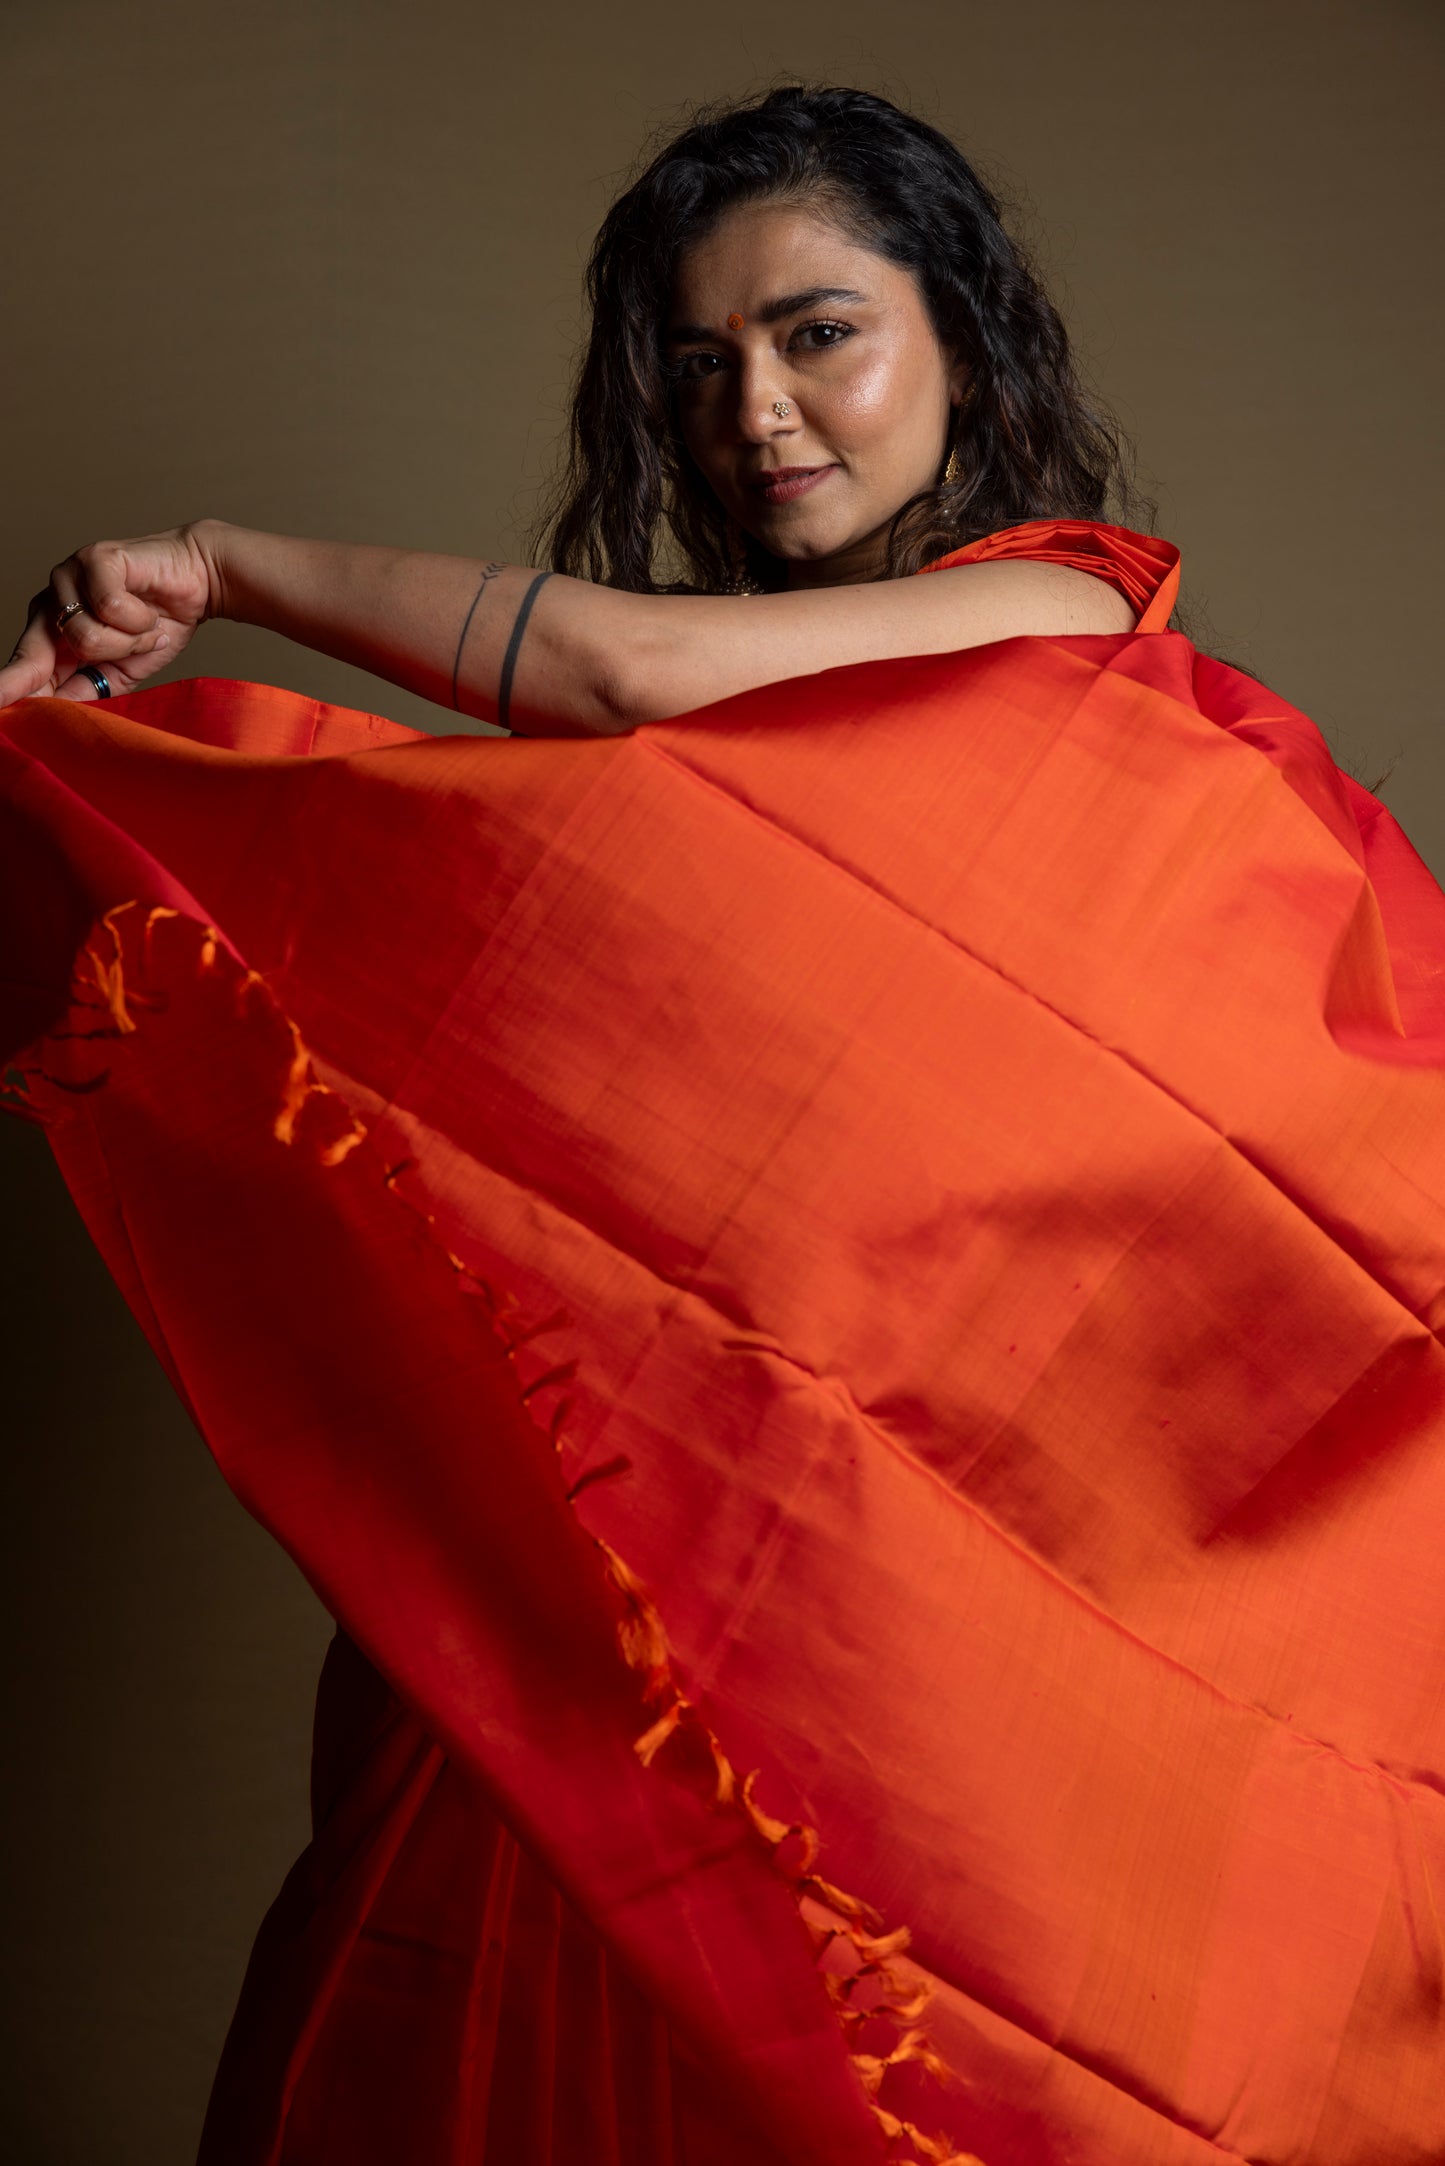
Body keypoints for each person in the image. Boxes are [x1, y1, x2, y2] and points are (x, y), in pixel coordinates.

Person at [2, 83, 1443, 2166]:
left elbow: (617, 675)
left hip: (914, 1626)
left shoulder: (1060, 630)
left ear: (963, 338)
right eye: (701, 362)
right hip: (680, 1566)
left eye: (818, 333)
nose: (756, 408)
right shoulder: (760, 762)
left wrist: (228, 567)